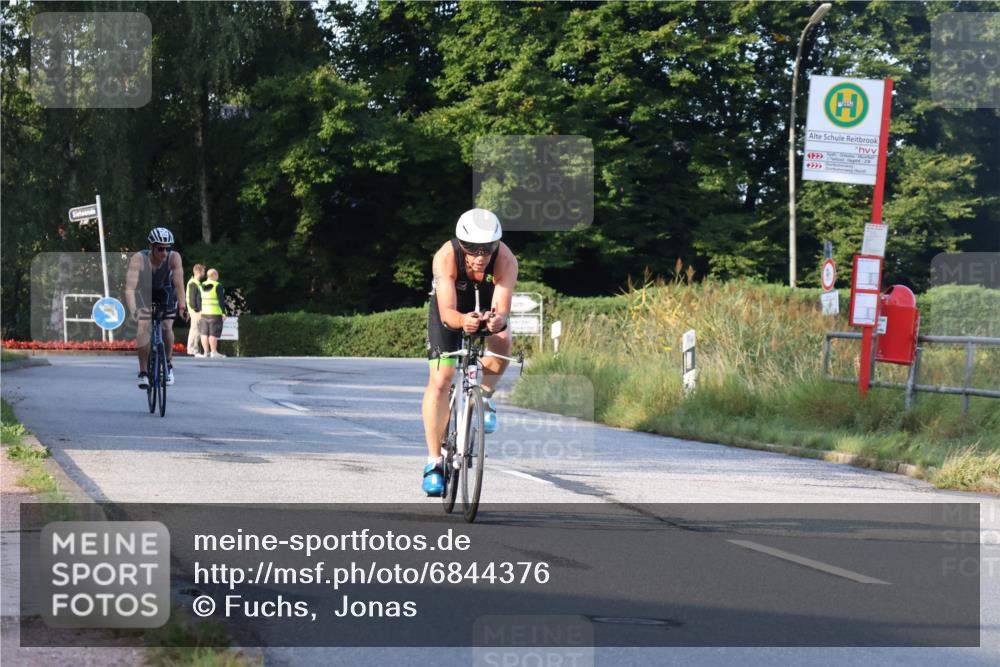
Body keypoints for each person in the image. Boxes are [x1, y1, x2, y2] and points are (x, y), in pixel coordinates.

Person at [420, 208, 518, 496]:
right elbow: (448, 312)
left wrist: (497, 320)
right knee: (442, 379)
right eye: (472, 249)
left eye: (487, 248)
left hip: (486, 301)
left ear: (496, 245)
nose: (480, 255)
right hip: (450, 308)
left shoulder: (506, 260)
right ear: (461, 244)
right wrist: (463, 320)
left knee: (502, 339)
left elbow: (502, 306)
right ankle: (434, 461)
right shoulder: (446, 256)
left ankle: (484, 396)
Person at [125, 227, 187, 388]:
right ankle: (143, 372)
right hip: (144, 292)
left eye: (168, 248)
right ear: (151, 247)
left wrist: (182, 307)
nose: (164, 252)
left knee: (167, 327)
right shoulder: (139, 259)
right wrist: (133, 310)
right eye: (160, 248)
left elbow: (179, 285)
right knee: (144, 325)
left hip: (165, 292)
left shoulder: (174, 258)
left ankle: (168, 364)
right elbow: (130, 288)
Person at [198, 268, 226, 358]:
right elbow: (221, 300)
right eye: (217, 275)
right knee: (213, 334)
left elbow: (198, 299)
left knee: (204, 333)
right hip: (214, 313)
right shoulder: (218, 285)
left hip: (203, 313)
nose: (218, 277)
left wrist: (199, 310)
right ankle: (214, 352)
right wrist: (223, 312)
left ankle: (206, 353)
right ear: (214, 275)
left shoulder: (202, 285)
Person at [185, 264, 206, 356]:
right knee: (195, 331)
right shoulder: (194, 283)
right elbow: (192, 300)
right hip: (195, 312)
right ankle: (192, 351)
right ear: (199, 272)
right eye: (203, 271)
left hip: (195, 311)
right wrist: (198, 310)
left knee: (196, 331)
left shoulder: (195, 282)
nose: (204, 273)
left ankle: (194, 350)